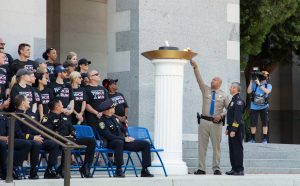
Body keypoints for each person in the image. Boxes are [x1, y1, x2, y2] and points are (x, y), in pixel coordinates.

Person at [191, 60, 230, 175]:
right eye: (212, 79)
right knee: (202, 146)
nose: (212, 81)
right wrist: (195, 67)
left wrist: (221, 115)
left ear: (219, 83)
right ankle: (201, 168)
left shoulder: (223, 95)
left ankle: (216, 168)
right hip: (204, 121)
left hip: (216, 124)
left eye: (214, 80)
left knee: (216, 147)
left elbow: (230, 109)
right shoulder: (205, 89)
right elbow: (199, 79)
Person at [97, 99, 154, 177]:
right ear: (107, 110)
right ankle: (118, 169)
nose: (114, 109)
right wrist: (124, 139)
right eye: (112, 108)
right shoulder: (101, 122)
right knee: (118, 142)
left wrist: (127, 136)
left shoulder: (114, 119)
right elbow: (108, 136)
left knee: (145, 144)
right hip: (111, 143)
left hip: (122, 142)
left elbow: (123, 129)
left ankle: (145, 169)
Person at [42, 99, 96, 178]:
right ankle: (58, 169)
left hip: (69, 139)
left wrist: (73, 134)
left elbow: (72, 129)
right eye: (61, 105)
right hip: (56, 140)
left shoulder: (64, 116)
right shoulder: (47, 117)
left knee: (91, 141)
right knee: (66, 143)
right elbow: (47, 132)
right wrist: (62, 137)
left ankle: (86, 167)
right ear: (57, 107)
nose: (63, 106)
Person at [14, 95, 60, 179]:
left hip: (38, 139)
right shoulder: (15, 115)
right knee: (36, 144)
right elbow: (18, 134)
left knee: (54, 144)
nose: (29, 102)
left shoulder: (32, 114)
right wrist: (33, 137)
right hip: (25, 141)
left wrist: (41, 136)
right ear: (23, 102)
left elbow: (39, 128)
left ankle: (50, 170)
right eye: (27, 100)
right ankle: (33, 170)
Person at [0, 113, 31, 180]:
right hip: (1, 140)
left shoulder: (3, 115)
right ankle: (5, 171)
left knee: (26, 144)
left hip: (6, 139)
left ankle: (13, 168)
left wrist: (9, 137)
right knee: (2, 144)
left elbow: (8, 128)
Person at [225, 82, 245, 176]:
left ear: (235, 89)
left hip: (237, 128)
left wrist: (233, 130)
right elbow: (231, 116)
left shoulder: (239, 101)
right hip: (232, 127)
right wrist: (228, 128)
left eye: (231, 87)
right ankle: (234, 168)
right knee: (232, 149)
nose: (229, 88)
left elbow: (237, 117)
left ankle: (239, 169)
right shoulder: (233, 100)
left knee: (237, 149)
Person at [247, 70, 272, 144]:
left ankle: (265, 139)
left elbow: (267, 91)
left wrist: (259, 84)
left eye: (266, 75)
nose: (265, 76)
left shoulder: (268, 85)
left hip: (264, 106)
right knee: (253, 123)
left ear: (267, 77)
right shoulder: (254, 83)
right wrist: (251, 81)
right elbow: (248, 92)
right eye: (264, 75)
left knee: (265, 123)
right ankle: (252, 139)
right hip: (254, 106)